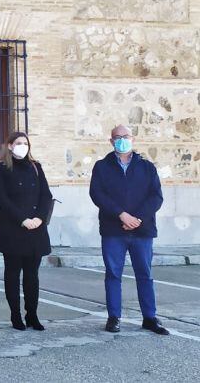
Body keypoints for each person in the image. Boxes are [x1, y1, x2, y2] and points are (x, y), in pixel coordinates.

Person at [89, 125, 169, 335]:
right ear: (111, 141)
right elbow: (97, 194)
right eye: (117, 137)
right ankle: (114, 317)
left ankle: (150, 318)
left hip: (142, 230)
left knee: (145, 274)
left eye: (125, 136)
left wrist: (137, 219)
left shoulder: (147, 167)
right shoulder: (101, 167)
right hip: (113, 230)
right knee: (113, 274)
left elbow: (156, 197)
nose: (122, 140)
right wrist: (121, 215)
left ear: (132, 138)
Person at [0, 132, 53, 331]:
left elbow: (46, 195)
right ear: (9, 146)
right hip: (13, 228)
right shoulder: (0, 168)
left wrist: (38, 218)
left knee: (32, 275)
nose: (22, 146)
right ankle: (15, 316)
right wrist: (23, 219)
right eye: (18, 143)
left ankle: (32, 315)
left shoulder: (36, 167)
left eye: (25, 143)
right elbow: (2, 198)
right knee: (12, 274)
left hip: (36, 228)